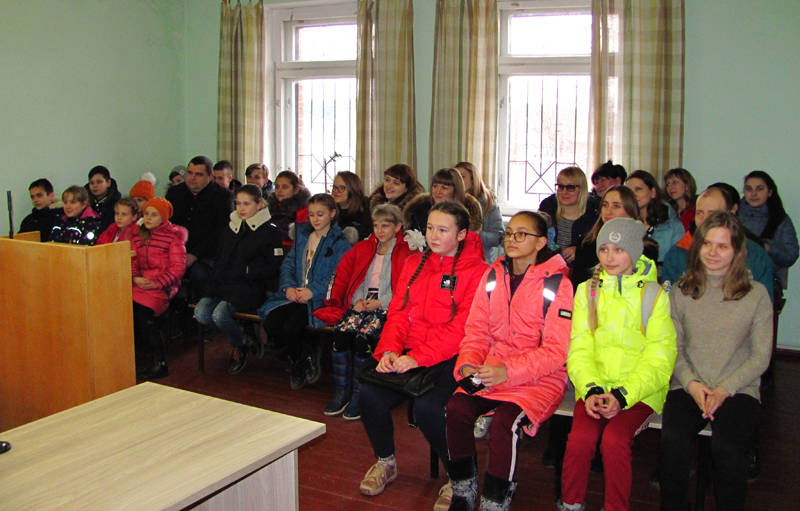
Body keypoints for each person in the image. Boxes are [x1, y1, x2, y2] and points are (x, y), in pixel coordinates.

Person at [356, 201, 487, 510]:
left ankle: (459, 477)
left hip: (453, 355)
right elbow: (398, 313)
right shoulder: (414, 263)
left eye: (442, 230)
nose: (433, 236)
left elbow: (462, 329)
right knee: (369, 395)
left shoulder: (478, 272)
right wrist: (389, 350)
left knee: (430, 409)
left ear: (461, 234)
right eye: (429, 228)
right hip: (409, 351)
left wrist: (419, 357)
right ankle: (386, 461)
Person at [445, 211, 573, 511]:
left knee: (506, 422)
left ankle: (495, 499)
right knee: (456, 408)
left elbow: (556, 351)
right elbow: (476, 330)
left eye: (522, 234)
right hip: (492, 368)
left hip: (540, 377)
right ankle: (463, 489)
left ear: (541, 242)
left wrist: (508, 371)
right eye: (510, 233)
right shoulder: (493, 276)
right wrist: (468, 363)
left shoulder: (558, 284)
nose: (512, 240)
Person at [558, 217, 676, 511]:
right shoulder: (588, 290)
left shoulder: (654, 295)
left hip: (639, 392)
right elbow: (580, 347)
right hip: (595, 386)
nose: (610, 257)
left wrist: (623, 396)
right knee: (580, 440)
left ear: (635, 251)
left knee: (614, 441)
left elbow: (660, 357)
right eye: (604, 249)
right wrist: (591, 388)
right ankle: (571, 503)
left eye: (619, 250)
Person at [659, 211, 772, 511]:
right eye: (707, 243)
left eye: (722, 246)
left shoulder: (756, 295)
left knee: (728, 450)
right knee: (673, 444)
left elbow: (761, 356)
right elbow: (673, 347)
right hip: (688, 384)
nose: (712, 252)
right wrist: (692, 384)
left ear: (737, 251)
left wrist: (724, 389)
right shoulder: (682, 289)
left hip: (737, 388)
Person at [313, 204, 412, 420]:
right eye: (376, 225)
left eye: (385, 226)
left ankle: (360, 394)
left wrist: (381, 303)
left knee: (363, 337)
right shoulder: (366, 248)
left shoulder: (405, 252)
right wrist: (356, 301)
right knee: (341, 333)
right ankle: (342, 392)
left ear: (397, 227)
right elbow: (355, 277)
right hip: (363, 303)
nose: (380, 231)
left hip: (387, 308)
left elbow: (405, 289)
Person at [258, 193, 351, 390]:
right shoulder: (303, 237)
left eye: (320, 214)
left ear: (332, 214)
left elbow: (337, 276)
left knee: (292, 327)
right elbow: (289, 265)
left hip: (318, 299)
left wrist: (312, 291)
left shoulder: (340, 243)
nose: (315, 219)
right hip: (295, 294)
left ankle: (299, 362)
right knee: (272, 322)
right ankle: (300, 356)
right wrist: (288, 287)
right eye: (311, 215)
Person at [194, 185, 283, 375]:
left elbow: (273, 266)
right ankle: (245, 336)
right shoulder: (231, 227)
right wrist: (212, 285)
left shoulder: (270, 231)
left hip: (249, 287)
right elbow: (220, 259)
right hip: (223, 284)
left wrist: (248, 270)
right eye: (238, 203)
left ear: (259, 205)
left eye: (246, 204)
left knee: (219, 315)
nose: (241, 208)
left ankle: (239, 344)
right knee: (201, 312)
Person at [662, 186, 774, 298]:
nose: (705, 220)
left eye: (712, 213)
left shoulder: (754, 254)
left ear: (730, 213)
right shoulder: (677, 253)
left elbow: (764, 300)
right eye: (699, 213)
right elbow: (667, 298)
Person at [131, 197, 188, 379]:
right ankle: (136, 355)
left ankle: (160, 362)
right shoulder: (138, 236)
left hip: (164, 286)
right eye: (146, 213)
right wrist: (135, 277)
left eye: (154, 215)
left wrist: (157, 283)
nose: (148, 218)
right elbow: (132, 260)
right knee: (125, 309)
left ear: (163, 217)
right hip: (140, 284)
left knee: (144, 314)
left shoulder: (173, 238)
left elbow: (177, 269)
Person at [166, 155, 233, 301]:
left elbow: (221, 233)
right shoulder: (174, 193)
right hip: (177, 251)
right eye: (190, 173)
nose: (192, 178)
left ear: (210, 176)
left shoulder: (223, 196)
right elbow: (168, 226)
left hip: (208, 254)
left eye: (199, 174)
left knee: (199, 274)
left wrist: (195, 255)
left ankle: (199, 311)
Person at [402, 168, 483, 243]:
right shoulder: (419, 209)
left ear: (456, 190)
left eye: (444, 188)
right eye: (435, 186)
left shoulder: (467, 214)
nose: (438, 192)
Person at [538, 167, 599, 267]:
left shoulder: (594, 215)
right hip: (546, 269)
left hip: (580, 272)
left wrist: (580, 252)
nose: (564, 192)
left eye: (570, 188)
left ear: (582, 189)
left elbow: (599, 249)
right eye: (560, 186)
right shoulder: (547, 209)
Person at [625, 170, 684, 264]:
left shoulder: (673, 226)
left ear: (653, 192)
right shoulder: (623, 224)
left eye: (638, 189)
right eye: (629, 191)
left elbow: (679, 262)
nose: (633, 195)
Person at [455, 161, 504, 262]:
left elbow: (498, 236)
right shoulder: (451, 201)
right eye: (456, 177)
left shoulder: (488, 203)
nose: (459, 181)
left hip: (481, 259)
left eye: (462, 177)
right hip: (455, 259)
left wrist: (474, 235)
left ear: (473, 180)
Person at [267, 170, 311, 250]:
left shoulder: (303, 210)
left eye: (285, 187)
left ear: (296, 189)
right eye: (277, 187)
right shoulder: (269, 207)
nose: (279, 190)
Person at [331, 171, 372, 243]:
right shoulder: (330, 210)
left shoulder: (366, 209)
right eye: (334, 187)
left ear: (353, 189)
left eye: (342, 188)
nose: (336, 191)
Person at [85, 165, 121, 231]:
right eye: (92, 183)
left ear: (108, 183)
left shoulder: (117, 204)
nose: (95, 186)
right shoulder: (84, 202)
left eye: (99, 182)